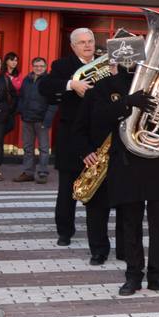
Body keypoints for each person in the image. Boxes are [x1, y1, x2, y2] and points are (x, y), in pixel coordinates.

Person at [78, 57, 159, 295]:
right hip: (127, 160)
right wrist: (127, 103)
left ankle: (158, 275)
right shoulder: (106, 85)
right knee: (130, 222)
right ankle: (133, 275)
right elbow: (98, 117)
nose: (132, 59)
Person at [39, 27, 101, 249]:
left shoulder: (105, 62)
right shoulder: (62, 66)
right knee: (67, 188)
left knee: (99, 187)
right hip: (71, 136)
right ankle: (64, 231)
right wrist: (71, 84)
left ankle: (97, 234)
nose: (87, 45)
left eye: (90, 41)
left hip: (97, 136)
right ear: (73, 46)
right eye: (82, 42)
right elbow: (44, 86)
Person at [14, 56, 55, 184]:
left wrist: (47, 120)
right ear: (32, 67)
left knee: (43, 148)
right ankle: (28, 173)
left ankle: (42, 173)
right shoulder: (27, 80)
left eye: (41, 66)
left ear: (45, 67)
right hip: (27, 119)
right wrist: (21, 110)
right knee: (27, 148)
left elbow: (53, 103)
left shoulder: (49, 81)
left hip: (41, 120)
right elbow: (21, 97)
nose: (39, 68)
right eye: (36, 66)